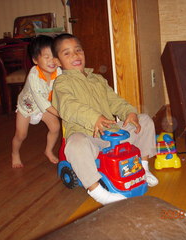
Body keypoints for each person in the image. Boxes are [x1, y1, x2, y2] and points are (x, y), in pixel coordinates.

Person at [52, 33, 158, 205]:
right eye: (67, 53)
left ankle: (143, 168)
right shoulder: (61, 83)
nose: (75, 55)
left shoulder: (98, 79)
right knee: (75, 143)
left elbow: (115, 101)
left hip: (113, 134)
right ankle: (97, 191)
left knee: (144, 119)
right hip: (89, 139)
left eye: (78, 50)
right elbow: (68, 105)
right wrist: (94, 118)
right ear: (57, 62)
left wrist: (128, 113)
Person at [11, 35, 61, 168]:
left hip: (45, 107)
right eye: (46, 57)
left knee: (55, 127)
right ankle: (15, 153)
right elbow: (40, 101)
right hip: (27, 107)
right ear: (35, 60)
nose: (52, 61)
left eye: (54, 56)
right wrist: (60, 113)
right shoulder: (34, 76)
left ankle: (48, 150)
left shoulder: (59, 72)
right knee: (21, 135)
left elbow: (64, 89)